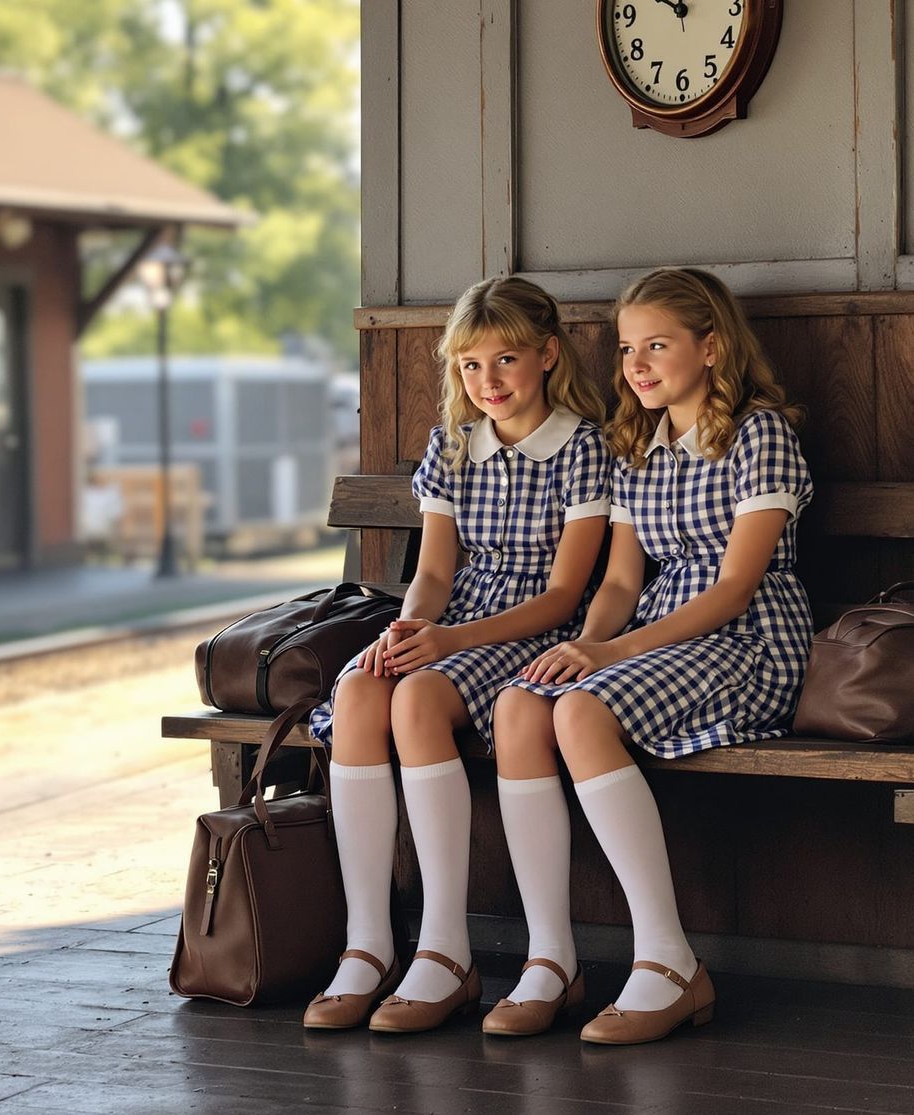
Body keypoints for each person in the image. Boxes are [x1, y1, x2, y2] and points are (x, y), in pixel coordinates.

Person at [495, 266, 813, 1044]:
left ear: (711, 347)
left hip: (748, 643)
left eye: (657, 345)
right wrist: (587, 643)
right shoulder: (637, 443)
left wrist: (611, 657)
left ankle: (668, 962)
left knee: (583, 707)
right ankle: (550, 958)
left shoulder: (758, 433)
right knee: (517, 703)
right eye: (629, 348)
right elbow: (622, 580)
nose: (636, 364)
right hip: (659, 641)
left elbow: (736, 585)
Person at [302, 276, 610, 1033]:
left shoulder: (581, 446)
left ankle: (445, 949)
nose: (488, 382)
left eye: (505, 360)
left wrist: (448, 642)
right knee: (364, 690)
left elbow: (565, 594)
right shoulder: (454, 444)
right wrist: (406, 631)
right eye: (471, 366)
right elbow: (434, 573)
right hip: (455, 618)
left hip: (527, 631)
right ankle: (369, 943)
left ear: (546, 354)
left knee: (415, 697)